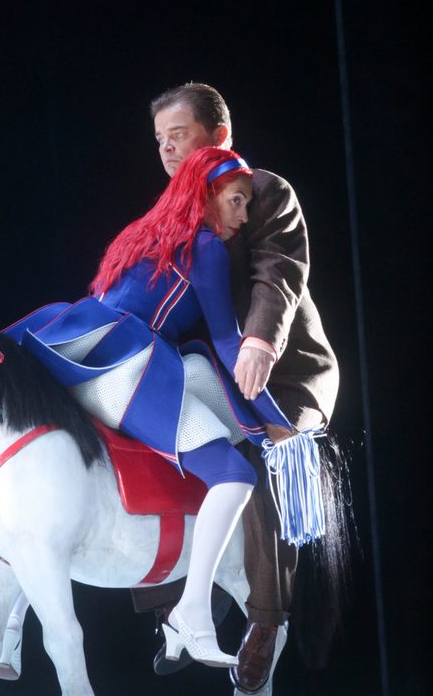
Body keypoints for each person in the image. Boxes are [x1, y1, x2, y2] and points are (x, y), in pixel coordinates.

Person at [0, 146, 322, 675]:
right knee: (235, 474)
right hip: (127, 367)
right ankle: (193, 612)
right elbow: (224, 339)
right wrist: (277, 422)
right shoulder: (207, 247)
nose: (242, 216)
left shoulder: (143, 236)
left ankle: (10, 627)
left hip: (72, 351)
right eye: (237, 201)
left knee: (48, 506)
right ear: (207, 194)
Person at [134, 82, 339, 692]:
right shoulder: (172, 207)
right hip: (211, 359)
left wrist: (259, 341)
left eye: (181, 136)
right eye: (160, 141)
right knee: (152, 421)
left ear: (218, 137)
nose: (169, 151)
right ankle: (173, 597)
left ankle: (267, 621)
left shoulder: (264, 189)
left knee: (266, 463)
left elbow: (279, 270)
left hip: (281, 366)